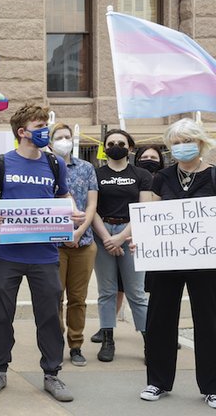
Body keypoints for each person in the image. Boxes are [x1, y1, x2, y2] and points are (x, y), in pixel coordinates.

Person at [0, 103, 85, 403]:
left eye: (45, 126)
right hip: (7, 255)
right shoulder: (1, 163)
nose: (45, 132)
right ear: (23, 132)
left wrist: (73, 211)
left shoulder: (54, 163)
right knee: (2, 316)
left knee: (49, 317)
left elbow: (63, 194)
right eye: (39, 127)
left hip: (45, 255)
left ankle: (52, 374)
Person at [139, 118, 216, 408]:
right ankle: (157, 382)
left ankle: (212, 386)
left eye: (188, 141)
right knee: (160, 320)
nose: (182, 147)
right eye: (177, 142)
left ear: (201, 143)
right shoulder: (162, 177)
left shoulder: (213, 175)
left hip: (206, 262)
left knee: (209, 322)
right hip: (166, 260)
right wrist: (142, 239)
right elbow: (150, 216)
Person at [91, 129, 150, 364]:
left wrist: (122, 236)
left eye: (121, 143)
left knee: (136, 292)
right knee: (106, 291)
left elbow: (144, 208)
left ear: (130, 148)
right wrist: (107, 238)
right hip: (102, 232)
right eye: (111, 143)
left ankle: (150, 342)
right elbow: (92, 208)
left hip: (131, 233)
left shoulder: (142, 174)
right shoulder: (96, 174)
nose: (116, 146)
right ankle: (108, 340)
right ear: (104, 148)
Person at [48, 124, 98, 368]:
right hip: (54, 244)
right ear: (50, 142)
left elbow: (91, 205)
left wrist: (78, 232)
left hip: (83, 242)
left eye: (67, 136)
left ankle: (76, 344)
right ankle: (54, 343)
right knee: (54, 297)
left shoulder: (86, 168)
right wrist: (64, 233)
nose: (64, 141)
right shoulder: (45, 167)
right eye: (59, 137)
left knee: (78, 298)